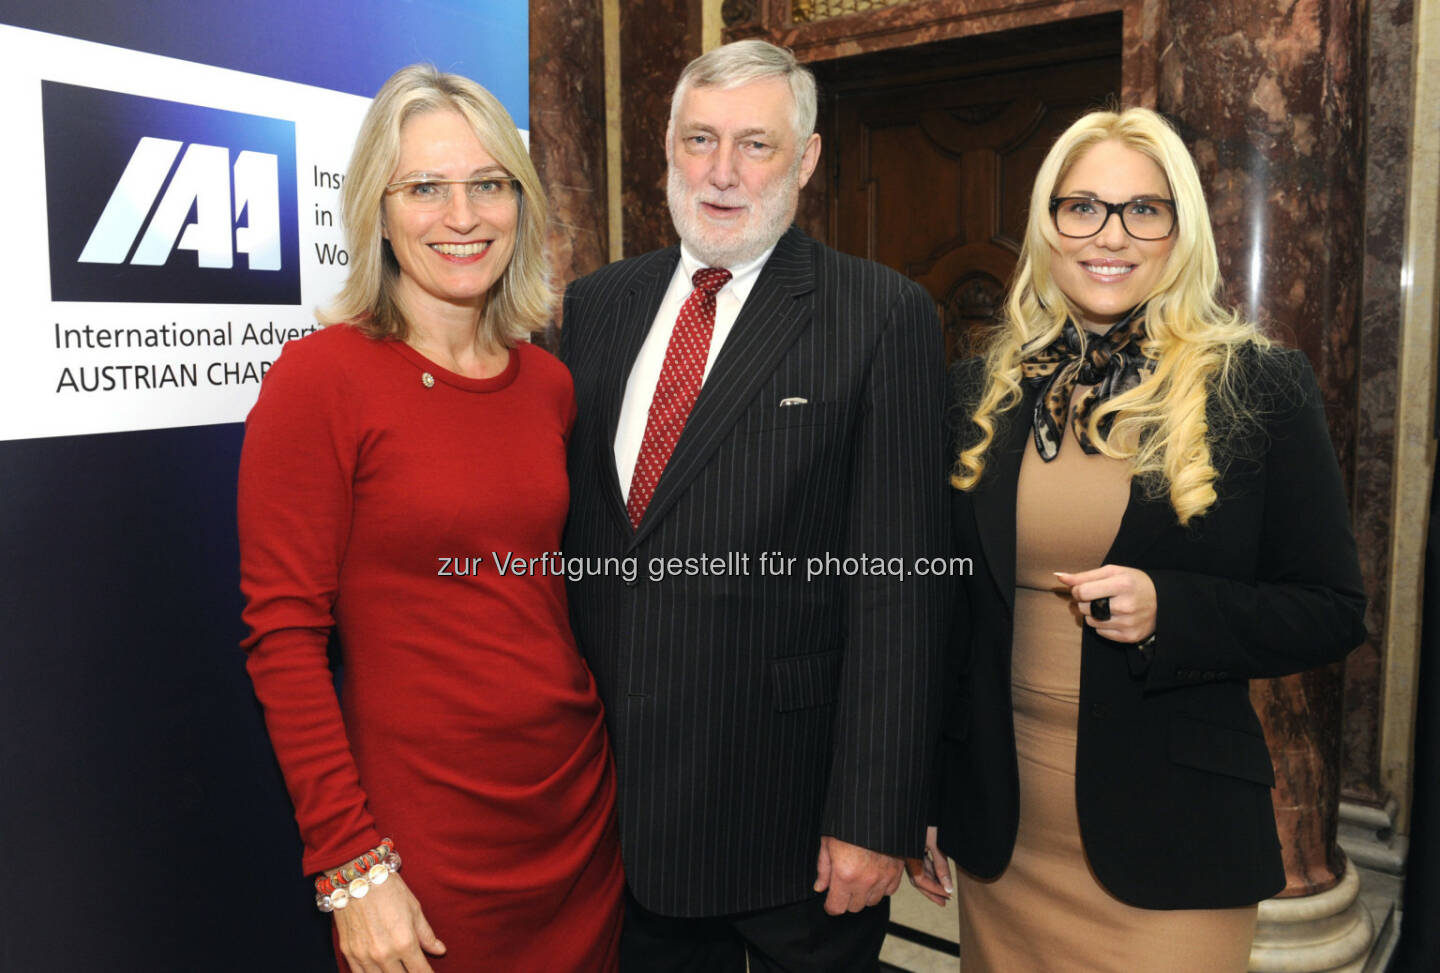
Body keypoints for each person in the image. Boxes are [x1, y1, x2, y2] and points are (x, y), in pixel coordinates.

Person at [906, 107, 1367, 971]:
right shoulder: (978, 389)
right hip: (1007, 834)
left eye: (1142, 209)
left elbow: (1332, 608)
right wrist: (924, 790)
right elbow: (952, 618)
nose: (1108, 234)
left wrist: (1173, 609)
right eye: (1081, 206)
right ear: (1047, 226)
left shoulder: (1256, 384)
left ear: (1180, 229)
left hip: (1175, 839)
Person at [560, 39, 947, 971]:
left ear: (807, 160)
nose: (722, 172)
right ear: (666, 148)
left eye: (755, 145)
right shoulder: (595, 305)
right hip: (617, 813)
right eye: (700, 139)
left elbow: (900, 588)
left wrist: (872, 816)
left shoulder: (880, 314)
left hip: (791, 817)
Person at [238, 64, 622, 973]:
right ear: (378, 207)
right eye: (426, 188)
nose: (462, 216)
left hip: (576, 811)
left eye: (488, 185)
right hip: (423, 837)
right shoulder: (320, 380)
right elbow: (283, 636)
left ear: (520, 204)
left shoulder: (549, 383)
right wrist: (351, 864)